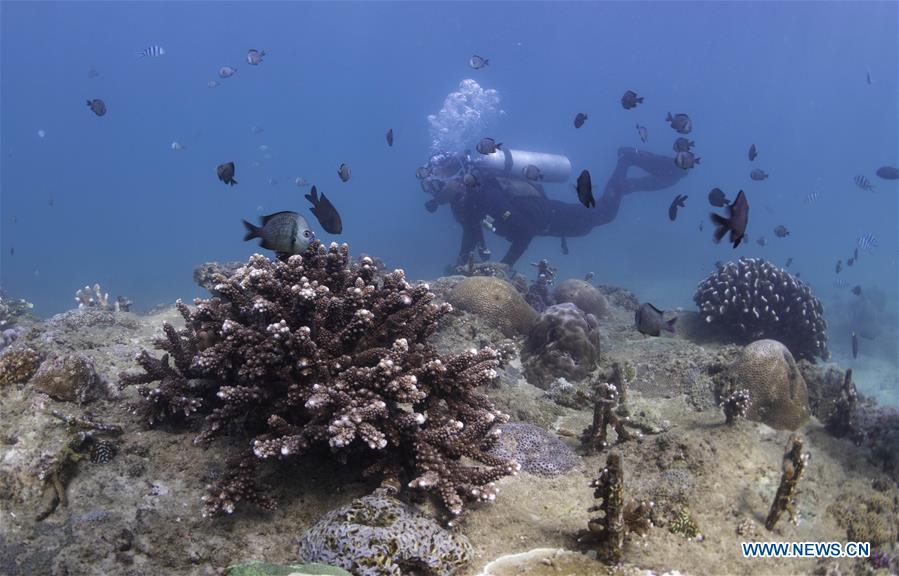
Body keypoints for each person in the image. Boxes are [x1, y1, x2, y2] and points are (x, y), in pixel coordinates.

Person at [420, 146, 688, 267]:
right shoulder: (465, 203)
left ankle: (626, 159)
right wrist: (460, 265)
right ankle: (625, 185)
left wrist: (503, 267)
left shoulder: (486, 192)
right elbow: (470, 233)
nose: (435, 190)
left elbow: (525, 232)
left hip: (557, 217)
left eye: (438, 182)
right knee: (605, 212)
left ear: (456, 177)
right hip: (550, 221)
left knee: (606, 214)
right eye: (431, 184)